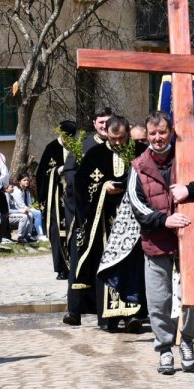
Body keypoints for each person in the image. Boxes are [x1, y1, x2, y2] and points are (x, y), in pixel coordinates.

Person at [124, 111, 194, 374]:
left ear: (171, 132)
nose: (157, 138)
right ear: (147, 135)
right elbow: (137, 205)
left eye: (162, 132)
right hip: (156, 241)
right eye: (153, 133)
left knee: (192, 295)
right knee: (159, 300)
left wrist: (190, 190)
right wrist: (163, 220)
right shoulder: (139, 166)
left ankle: (188, 340)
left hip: (189, 241)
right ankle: (165, 349)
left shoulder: (189, 157)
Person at [66, 115, 137, 329]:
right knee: (104, 264)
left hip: (132, 221)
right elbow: (80, 185)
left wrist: (127, 187)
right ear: (106, 133)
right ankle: (108, 317)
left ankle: (132, 313)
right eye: (113, 138)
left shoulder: (137, 153)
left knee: (131, 265)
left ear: (127, 134)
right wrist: (103, 188)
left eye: (121, 138)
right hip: (103, 222)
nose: (116, 143)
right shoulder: (94, 155)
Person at [36, 120, 76, 279]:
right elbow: (41, 174)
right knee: (57, 232)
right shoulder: (51, 148)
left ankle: (74, 265)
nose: (69, 140)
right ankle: (61, 268)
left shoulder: (76, 148)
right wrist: (57, 170)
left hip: (73, 198)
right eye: (66, 136)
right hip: (56, 199)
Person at [6, 172, 41, 243]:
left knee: (33, 213)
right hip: (17, 211)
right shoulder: (16, 191)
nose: (27, 182)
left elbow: (29, 204)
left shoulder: (26, 191)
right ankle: (38, 234)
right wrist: (28, 209)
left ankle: (28, 235)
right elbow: (21, 205)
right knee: (35, 214)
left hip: (23, 210)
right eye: (24, 180)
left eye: (27, 180)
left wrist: (31, 208)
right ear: (19, 181)